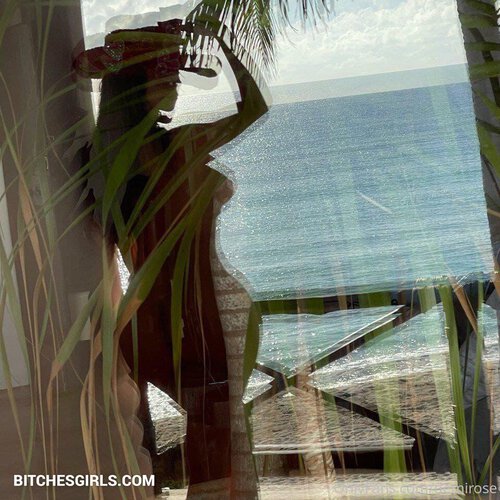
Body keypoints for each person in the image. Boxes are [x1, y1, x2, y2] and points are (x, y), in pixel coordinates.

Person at [74, 17, 268, 489]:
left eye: (175, 76)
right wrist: (221, 41)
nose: (176, 88)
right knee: (219, 442)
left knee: (203, 442)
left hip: (145, 322)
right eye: (163, 77)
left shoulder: (96, 163)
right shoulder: (179, 146)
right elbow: (252, 107)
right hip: (200, 315)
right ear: (133, 88)